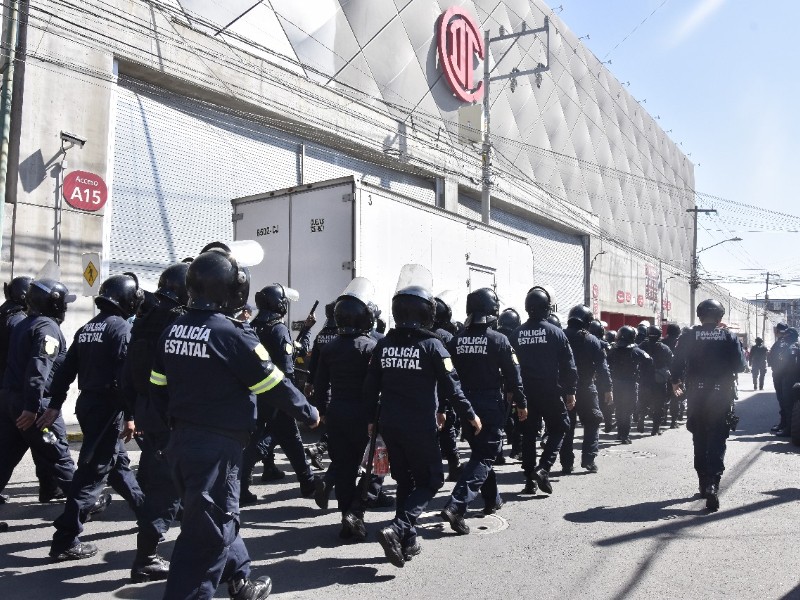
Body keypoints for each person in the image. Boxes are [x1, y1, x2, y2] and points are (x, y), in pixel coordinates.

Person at [149, 244, 319, 599]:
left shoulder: (174, 330)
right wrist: (309, 412)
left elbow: (157, 386)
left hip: (181, 442)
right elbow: (273, 383)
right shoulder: (231, 334)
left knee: (214, 516)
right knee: (206, 537)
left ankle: (241, 580)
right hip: (216, 446)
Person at [364, 275, 481, 568]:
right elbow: (452, 386)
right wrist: (469, 414)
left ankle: (407, 540)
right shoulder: (433, 346)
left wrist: (370, 421)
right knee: (431, 480)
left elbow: (369, 387)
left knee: (405, 481)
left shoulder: (384, 345)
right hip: (419, 426)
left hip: (389, 424)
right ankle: (400, 527)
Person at [44, 274, 146, 561]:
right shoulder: (122, 328)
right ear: (126, 299)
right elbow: (126, 378)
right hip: (107, 407)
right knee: (92, 474)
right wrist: (131, 415)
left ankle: (147, 512)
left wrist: (55, 403)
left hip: (89, 404)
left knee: (118, 463)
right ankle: (65, 539)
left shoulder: (89, 328)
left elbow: (65, 370)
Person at [122, 262, 189, 582]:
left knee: (164, 481)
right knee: (166, 490)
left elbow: (129, 372)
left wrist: (132, 411)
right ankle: (146, 558)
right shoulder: (174, 320)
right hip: (168, 416)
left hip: (149, 411)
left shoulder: (145, 318)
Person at [440, 288, 525, 534]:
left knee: (480, 452)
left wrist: (446, 406)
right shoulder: (499, 339)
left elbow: (448, 378)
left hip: (465, 406)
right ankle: (456, 505)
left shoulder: (457, 340)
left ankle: (492, 499)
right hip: (489, 404)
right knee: (485, 456)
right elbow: (514, 375)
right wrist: (521, 403)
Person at [0, 279, 76, 511]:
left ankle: (54, 491)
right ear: (53, 303)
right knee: (58, 454)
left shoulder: (24, 323)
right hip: (34, 406)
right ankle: (85, 502)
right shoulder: (47, 328)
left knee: (4, 457)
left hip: (12, 401)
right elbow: (38, 369)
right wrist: (32, 408)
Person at [242, 284, 318, 503]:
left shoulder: (253, 325)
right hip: (277, 393)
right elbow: (287, 369)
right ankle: (307, 482)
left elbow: (292, 348)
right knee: (288, 437)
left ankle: (242, 485)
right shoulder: (278, 328)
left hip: (256, 393)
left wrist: (306, 330)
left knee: (260, 438)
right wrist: (294, 399)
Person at [312, 278, 376, 541]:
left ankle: (345, 520)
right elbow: (375, 386)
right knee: (371, 468)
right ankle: (356, 515)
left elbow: (319, 385)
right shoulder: (370, 347)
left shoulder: (329, 347)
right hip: (363, 415)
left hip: (337, 412)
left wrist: (323, 411)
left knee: (344, 467)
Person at [671, 299, 746, 511]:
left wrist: (676, 381)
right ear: (720, 316)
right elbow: (740, 366)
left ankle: (703, 483)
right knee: (717, 438)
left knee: (699, 437)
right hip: (721, 395)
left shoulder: (689, 335)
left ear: (700, 315)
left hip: (696, 394)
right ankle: (713, 484)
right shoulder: (729, 336)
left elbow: (677, 361)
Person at [510, 287, 577, 495]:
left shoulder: (516, 334)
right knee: (559, 427)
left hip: (525, 394)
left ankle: (529, 481)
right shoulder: (556, 332)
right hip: (549, 390)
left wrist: (512, 393)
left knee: (528, 435)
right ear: (546, 308)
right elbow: (569, 365)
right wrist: (570, 391)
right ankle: (544, 468)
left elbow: (510, 368)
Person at [562, 306, 612, 473]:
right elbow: (602, 368)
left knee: (566, 425)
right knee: (592, 421)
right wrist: (608, 389)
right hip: (586, 388)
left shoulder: (560, 335)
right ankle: (588, 459)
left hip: (563, 388)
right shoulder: (592, 340)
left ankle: (566, 463)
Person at [431, 292, 462, 482]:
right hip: (443, 389)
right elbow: (452, 368)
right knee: (447, 429)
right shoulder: (447, 337)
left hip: (425, 391)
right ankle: (454, 465)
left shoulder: (420, 334)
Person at [606, 326, 651, 444]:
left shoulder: (613, 350)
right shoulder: (636, 351)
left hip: (616, 384)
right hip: (630, 385)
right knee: (628, 411)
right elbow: (649, 361)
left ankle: (620, 433)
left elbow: (606, 363)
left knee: (619, 409)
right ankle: (624, 436)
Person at [639, 326, 675, 432]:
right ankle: (655, 428)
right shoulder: (664, 348)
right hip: (659, 380)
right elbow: (671, 362)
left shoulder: (642, 346)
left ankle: (641, 419)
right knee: (659, 404)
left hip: (644, 378)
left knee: (643, 402)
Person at [768, 323, 791, 435]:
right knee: (786, 401)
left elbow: (771, 359)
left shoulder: (780, 344)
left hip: (780, 375)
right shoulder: (792, 342)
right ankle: (785, 424)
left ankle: (786, 426)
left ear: (777, 331)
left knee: (783, 401)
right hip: (789, 375)